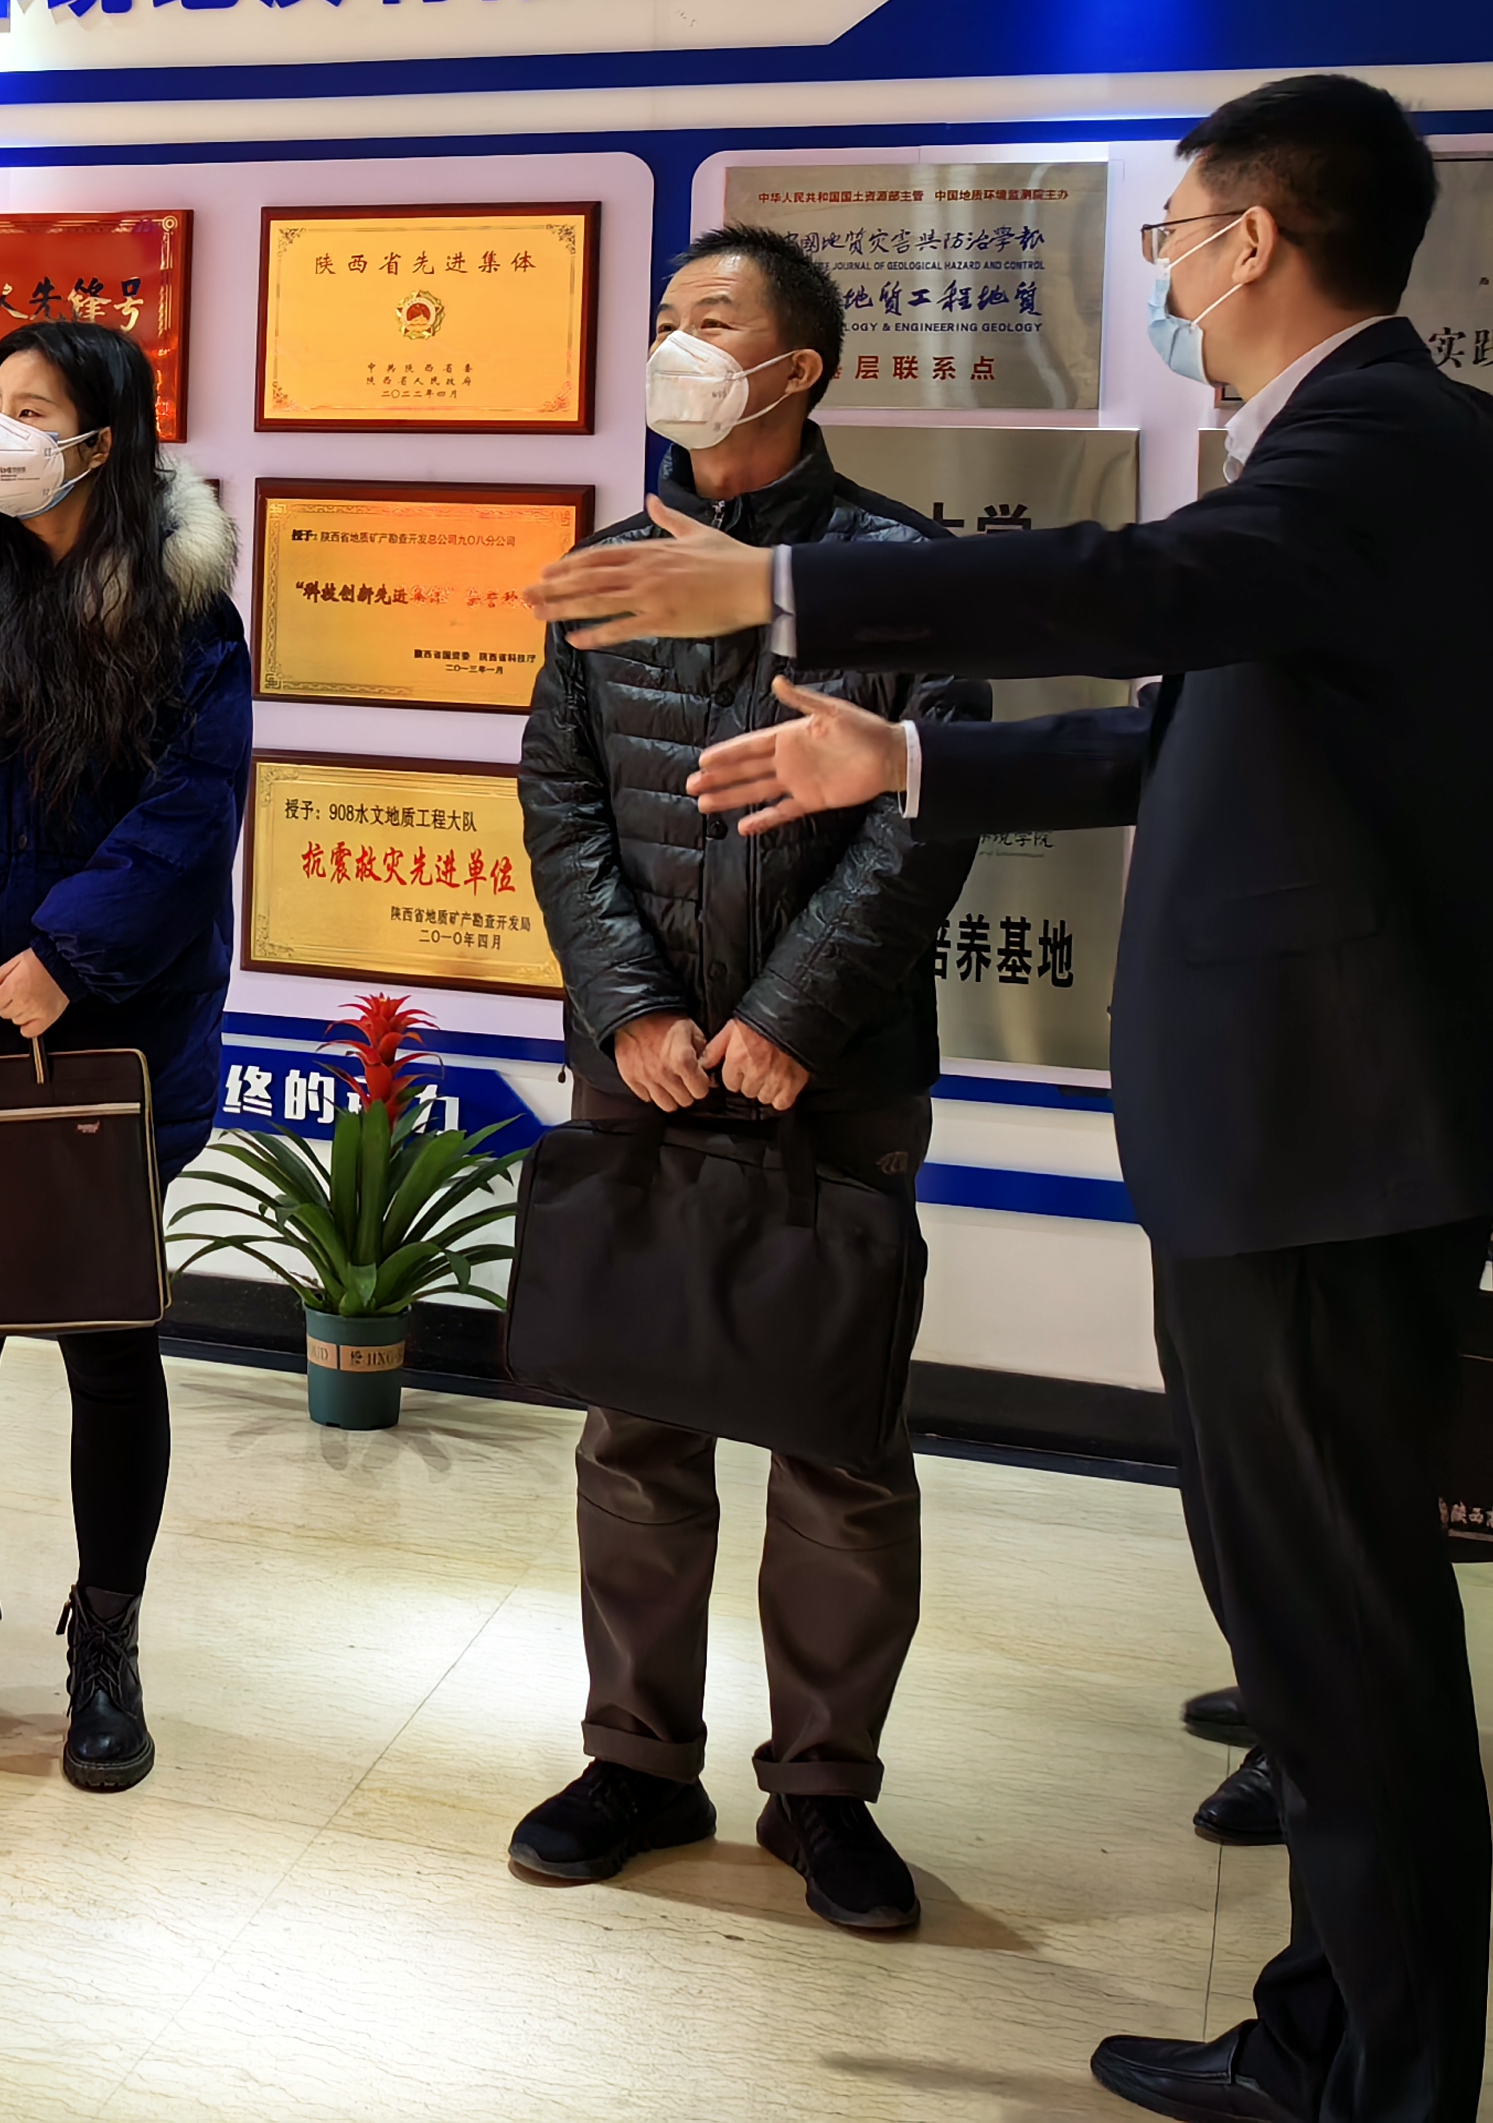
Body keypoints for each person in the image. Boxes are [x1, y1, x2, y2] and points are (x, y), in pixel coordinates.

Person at [533, 75, 1493, 2123]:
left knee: (1340, 1631)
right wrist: (909, 761)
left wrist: (784, 599)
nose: (1165, 269)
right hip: (1290, 1133)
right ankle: (1327, 2035)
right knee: (1309, 1631)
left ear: (1253, 238)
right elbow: (1175, 740)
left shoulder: (1382, 436)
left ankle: (1375, 2081)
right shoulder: (1358, 459)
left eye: (1174, 232)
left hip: (1319, 1131)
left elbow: (1138, 588)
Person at [508, 228, 985, 1929]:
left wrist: (791, 1016)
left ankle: (825, 1792)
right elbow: (561, 798)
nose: (677, 346)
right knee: (635, 1418)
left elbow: (928, 821)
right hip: (641, 1064)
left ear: (797, 369)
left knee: (839, 1437)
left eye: (711, 321)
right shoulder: (607, 565)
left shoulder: (899, 573)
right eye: (665, 319)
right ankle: (637, 1759)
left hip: (833, 1072)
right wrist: (633, 1007)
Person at [0, 318, 248, 1794]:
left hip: (111, 1029)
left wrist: (65, 959)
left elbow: (193, 811)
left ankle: (105, 1651)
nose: (3, 432)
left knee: (108, 1344)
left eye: (37, 410)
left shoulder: (188, 618)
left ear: (103, 441)